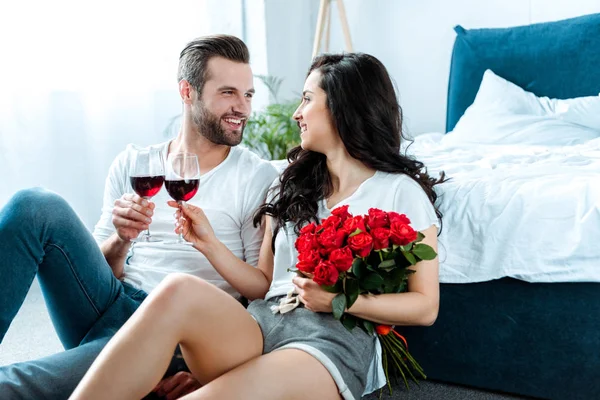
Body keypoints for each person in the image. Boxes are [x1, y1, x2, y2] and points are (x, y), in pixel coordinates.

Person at [69, 52, 445, 400]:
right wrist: (209, 244)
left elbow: (426, 307)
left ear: (343, 108)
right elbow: (262, 283)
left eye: (307, 99)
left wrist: (340, 301)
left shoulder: (398, 191)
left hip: (328, 337)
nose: (297, 113)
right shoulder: (292, 185)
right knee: (178, 288)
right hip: (261, 322)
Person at [0, 34, 278, 400]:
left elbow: (262, 291)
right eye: (228, 93)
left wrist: (217, 368)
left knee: (18, 384)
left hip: (176, 335)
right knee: (33, 204)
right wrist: (121, 239)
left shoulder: (256, 178)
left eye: (248, 95)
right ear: (187, 92)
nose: (242, 107)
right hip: (113, 304)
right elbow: (101, 271)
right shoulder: (135, 163)